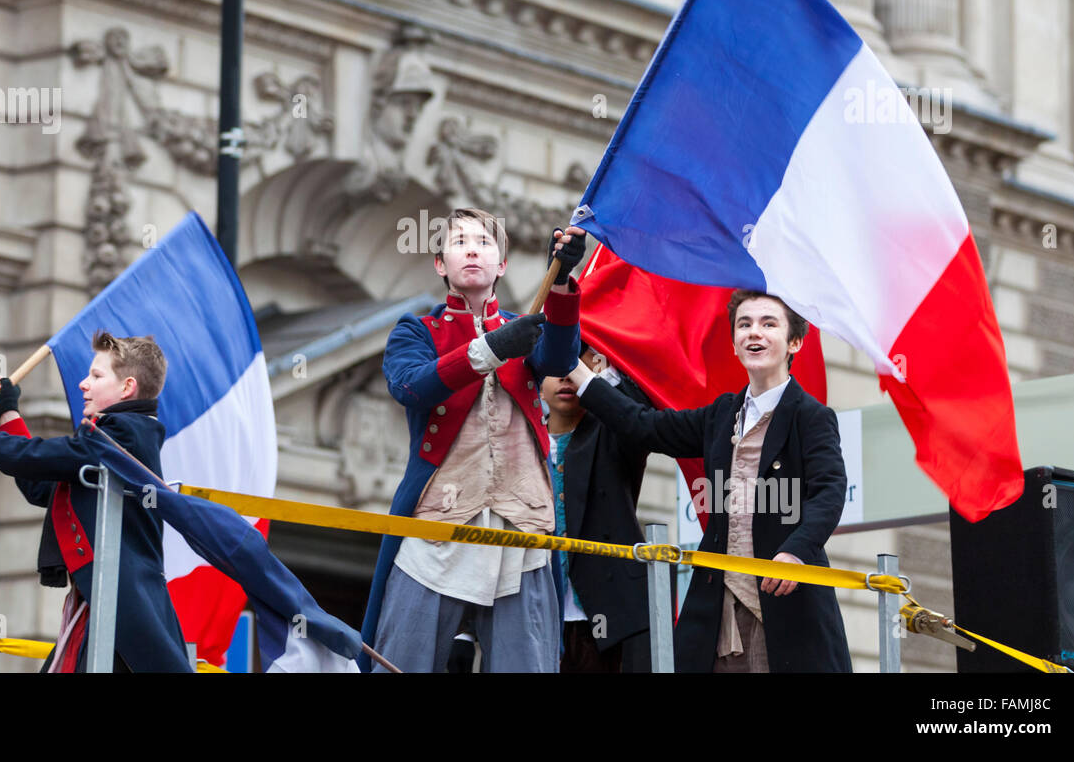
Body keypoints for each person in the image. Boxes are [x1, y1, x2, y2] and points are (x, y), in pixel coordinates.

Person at [568, 290, 851, 672]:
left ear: (793, 342)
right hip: (718, 609)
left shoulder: (811, 416)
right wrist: (576, 368)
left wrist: (796, 551)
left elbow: (829, 491)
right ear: (735, 344)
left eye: (769, 324)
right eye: (745, 325)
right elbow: (643, 426)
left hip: (784, 603)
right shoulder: (721, 414)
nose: (756, 333)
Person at [360, 208, 585, 672]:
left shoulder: (524, 328)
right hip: (436, 528)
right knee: (400, 661)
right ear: (440, 264)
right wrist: (492, 349)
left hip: (523, 528)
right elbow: (411, 386)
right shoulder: (416, 331)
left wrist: (562, 281)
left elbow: (560, 355)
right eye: (458, 241)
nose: (471, 249)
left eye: (483, 242)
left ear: (501, 264)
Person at [0, 331, 191, 672]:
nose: (83, 384)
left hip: (124, 608)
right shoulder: (110, 438)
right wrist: (9, 413)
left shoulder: (125, 433)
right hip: (102, 603)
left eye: (97, 376)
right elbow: (41, 485)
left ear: (127, 387)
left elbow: (36, 456)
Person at [543, 343, 653, 672]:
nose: (566, 374)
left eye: (578, 363)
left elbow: (637, 403)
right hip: (534, 613)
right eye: (555, 364)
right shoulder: (519, 438)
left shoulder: (615, 434)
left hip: (604, 621)